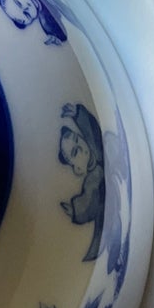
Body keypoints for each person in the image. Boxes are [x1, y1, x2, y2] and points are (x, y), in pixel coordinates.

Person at [57, 102, 106, 264]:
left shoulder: (96, 145)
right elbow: (89, 202)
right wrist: (75, 210)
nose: (81, 146)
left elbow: (91, 129)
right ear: (77, 169)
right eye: (75, 152)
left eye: (78, 139)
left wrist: (78, 114)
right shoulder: (91, 182)